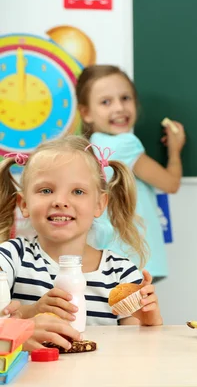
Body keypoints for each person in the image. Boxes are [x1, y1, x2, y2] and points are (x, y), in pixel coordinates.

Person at [0, 135, 162, 326]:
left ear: (99, 204)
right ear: (24, 204)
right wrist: (32, 312)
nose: (60, 201)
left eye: (78, 191)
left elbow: (138, 350)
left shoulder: (122, 274)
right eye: (46, 190)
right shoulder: (11, 257)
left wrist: (149, 323)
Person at [76, 65, 186, 281]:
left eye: (125, 98)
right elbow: (170, 184)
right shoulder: (126, 144)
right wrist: (175, 150)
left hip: (107, 255)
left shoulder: (92, 146)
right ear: (86, 112)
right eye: (106, 102)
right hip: (133, 255)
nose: (119, 108)